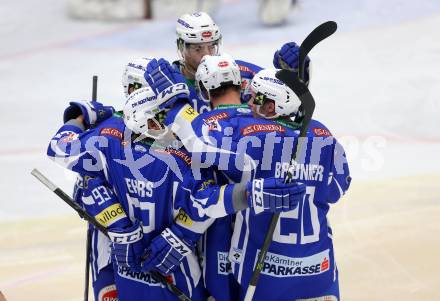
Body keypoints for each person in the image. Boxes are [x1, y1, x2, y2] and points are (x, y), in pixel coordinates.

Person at [48, 81, 302, 300]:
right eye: (161, 117)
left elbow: (61, 151)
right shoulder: (182, 161)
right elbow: (206, 204)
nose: (169, 124)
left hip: (127, 270)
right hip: (175, 271)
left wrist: (79, 117)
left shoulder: (106, 144)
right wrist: (250, 192)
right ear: (144, 120)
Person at [143, 53, 351, 300]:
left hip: (267, 278)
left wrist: (176, 103)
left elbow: (199, 144)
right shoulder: (321, 133)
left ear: (271, 106)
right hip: (320, 271)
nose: (248, 103)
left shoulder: (250, 138)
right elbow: (338, 187)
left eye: (254, 98)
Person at [65, 57, 152, 301]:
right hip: (111, 237)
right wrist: (113, 219)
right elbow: (83, 188)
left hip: (151, 239)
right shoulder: (106, 127)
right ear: (132, 88)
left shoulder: (164, 128)